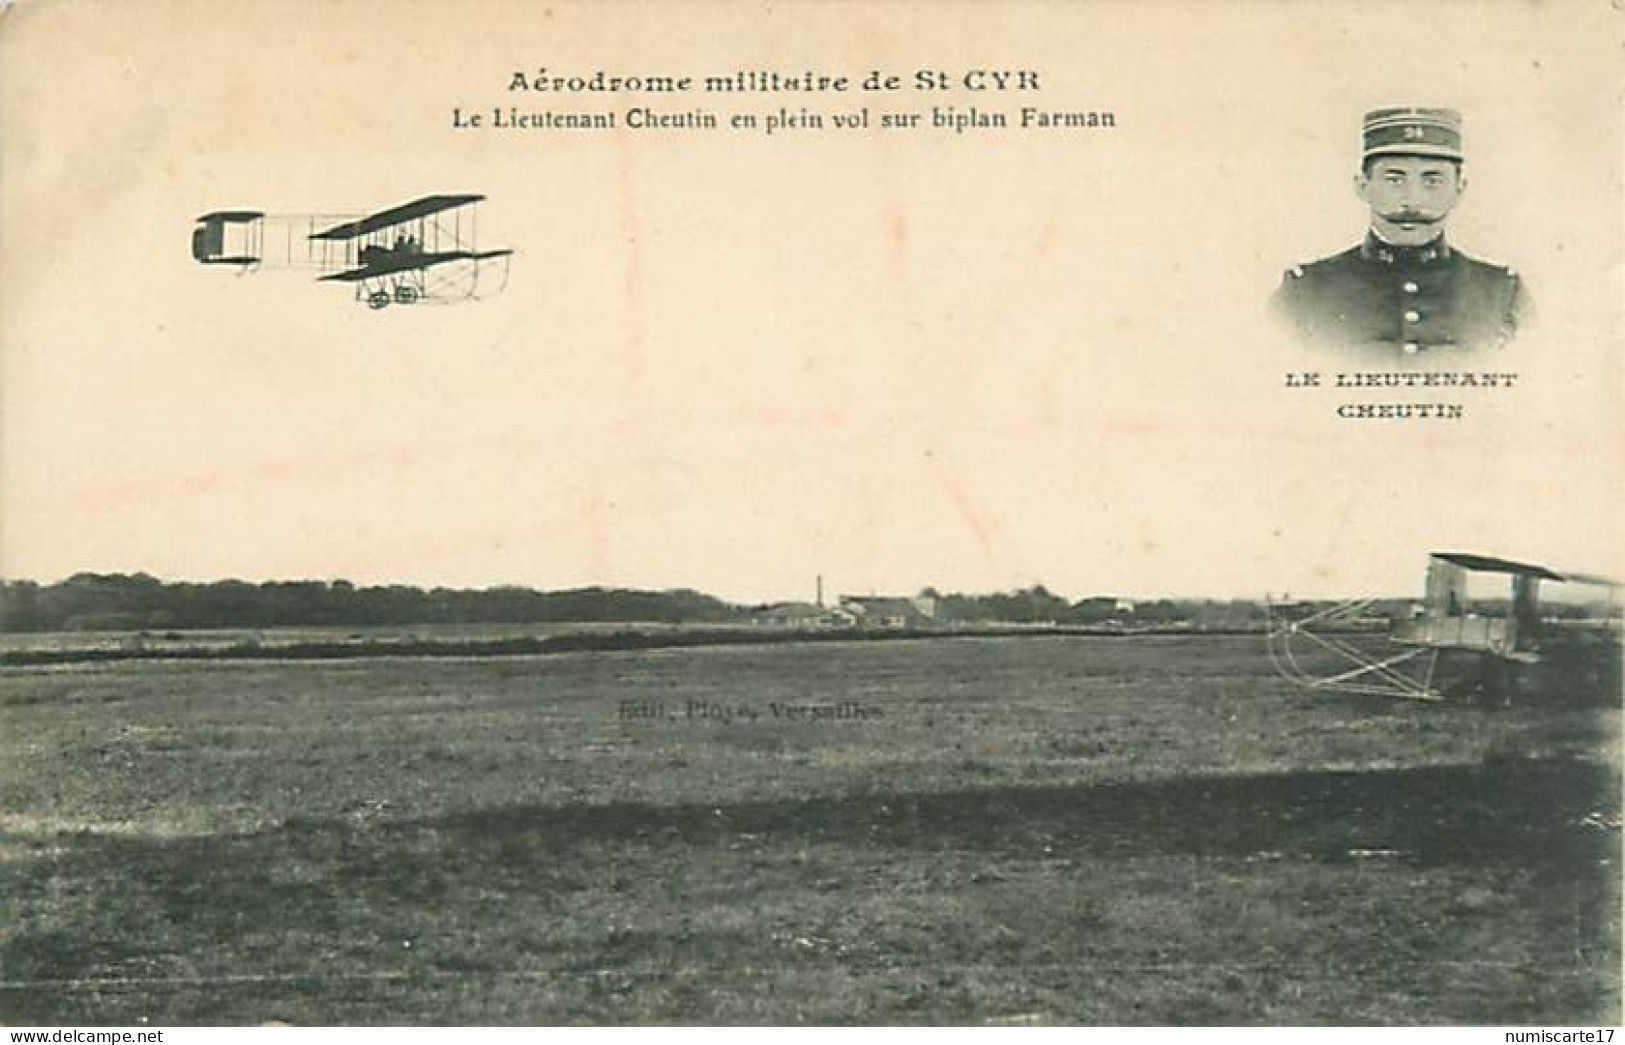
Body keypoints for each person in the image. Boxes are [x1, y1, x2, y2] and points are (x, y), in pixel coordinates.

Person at [1271, 108, 1529, 356]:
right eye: (1395, 180)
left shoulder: (1502, 294)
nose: (1412, 200)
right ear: (1362, 186)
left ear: (1459, 190)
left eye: (1432, 181)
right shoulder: (1305, 293)